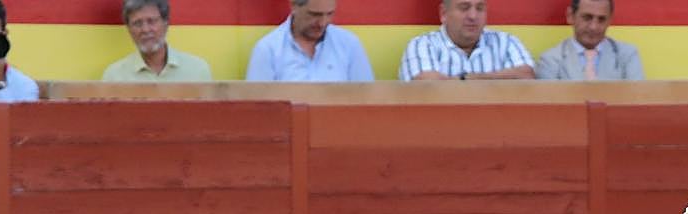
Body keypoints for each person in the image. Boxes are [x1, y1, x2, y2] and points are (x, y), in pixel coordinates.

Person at [399, 0, 534, 81]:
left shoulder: (506, 42)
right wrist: (498, 79)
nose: (473, 16)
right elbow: (426, 87)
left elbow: (527, 78)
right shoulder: (422, 45)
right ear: (443, 14)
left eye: (480, 8)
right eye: (464, 8)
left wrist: (466, 78)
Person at [245, 0, 373, 82]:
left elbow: (368, 100)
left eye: (329, 14)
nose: (322, 23)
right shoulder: (268, 49)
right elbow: (258, 109)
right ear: (294, 6)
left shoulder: (349, 44)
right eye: (314, 15)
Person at [102, 0, 213, 82]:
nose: (145, 30)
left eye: (152, 21)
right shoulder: (114, 76)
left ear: (166, 23)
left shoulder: (197, 70)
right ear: (129, 29)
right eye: (137, 23)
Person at [535, 0, 644, 81]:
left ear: (610, 20)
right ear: (570, 16)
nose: (593, 27)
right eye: (587, 18)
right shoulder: (550, 60)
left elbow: (636, 101)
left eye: (601, 19)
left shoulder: (627, 55)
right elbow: (552, 107)